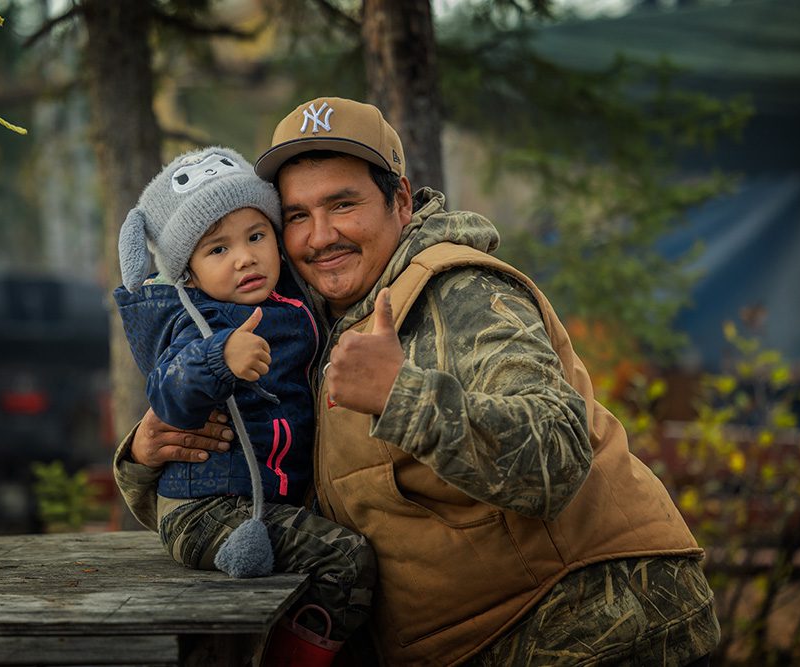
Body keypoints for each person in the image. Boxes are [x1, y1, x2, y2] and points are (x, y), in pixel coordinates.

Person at [114, 98, 721, 666]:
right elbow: (266, 493)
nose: (319, 235)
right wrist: (146, 455)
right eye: (297, 215)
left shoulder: (461, 293)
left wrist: (400, 395)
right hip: (466, 641)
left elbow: (558, 454)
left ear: (400, 201)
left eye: (343, 204)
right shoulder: (301, 325)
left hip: (585, 629)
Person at [113, 145, 375, 666]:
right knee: (346, 560)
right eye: (217, 250)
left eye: (257, 236)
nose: (245, 257)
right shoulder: (199, 319)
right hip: (207, 510)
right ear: (187, 275)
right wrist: (217, 359)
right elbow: (167, 388)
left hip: (268, 502)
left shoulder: (292, 303)